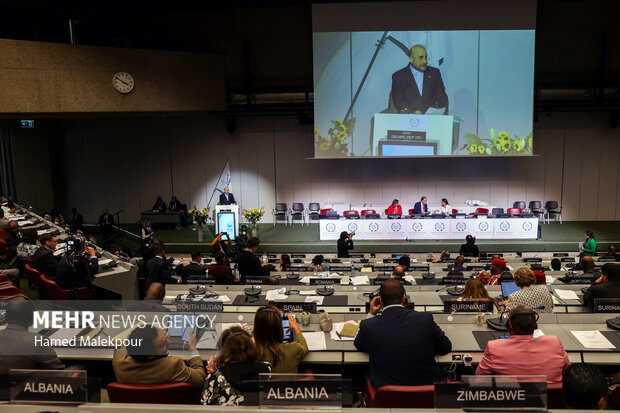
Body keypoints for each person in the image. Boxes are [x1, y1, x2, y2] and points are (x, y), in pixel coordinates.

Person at [355, 279, 451, 388]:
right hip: (427, 394)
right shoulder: (425, 319)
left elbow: (359, 344)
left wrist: (371, 314)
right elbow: (446, 348)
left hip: (386, 395)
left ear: (380, 301)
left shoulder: (368, 325)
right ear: (404, 298)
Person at [476, 306, 569, 382]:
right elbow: (567, 373)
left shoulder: (494, 347)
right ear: (535, 326)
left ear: (509, 325)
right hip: (551, 402)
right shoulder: (554, 342)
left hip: (510, 402)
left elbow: (479, 379)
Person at [112, 325, 205, 390]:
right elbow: (200, 380)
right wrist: (193, 349)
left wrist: (161, 335)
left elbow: (124, 347)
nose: (169, 342)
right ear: (150, 355)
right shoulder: (173, 365)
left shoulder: (118, 360)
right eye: (163, 343)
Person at [202, 326, 271, 405]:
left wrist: (214, 375)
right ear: (250, 345)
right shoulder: (266, 369)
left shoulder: (215, 378)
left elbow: (205, 405)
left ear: (224, 350)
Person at [0, 298, 65, 372]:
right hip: (24, 383)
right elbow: (59, 373)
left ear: (5, 317)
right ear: (32, 317)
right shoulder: (38, 341)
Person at [390, 44, 449, 115]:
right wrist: (411, 111)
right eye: (420, 58)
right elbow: (398, 100)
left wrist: (442, 112)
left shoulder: (434, 73)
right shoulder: (399, 76)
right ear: (411, 59)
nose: (424, 61)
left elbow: (442, 96)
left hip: (431, 119)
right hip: (408, 118)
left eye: (426, 57)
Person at [253, 305, 308, 373]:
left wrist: (255, 338)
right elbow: (304, 348)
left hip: (263, 384)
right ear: (279, 328)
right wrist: (297, 329)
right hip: (288, 383)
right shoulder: (294, 348)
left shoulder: (251, 351)